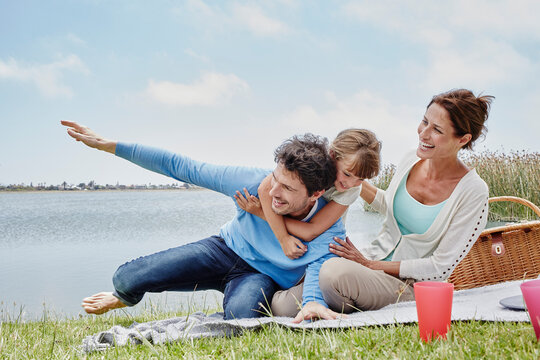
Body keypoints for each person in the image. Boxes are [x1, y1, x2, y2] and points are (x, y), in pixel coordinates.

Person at [61, 120, 344, 320]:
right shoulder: (251, 181)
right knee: (125, 278)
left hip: (261, 276)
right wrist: (110, 146)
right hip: (223, 249)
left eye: (288, 189)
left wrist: (312, 304)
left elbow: (319, 270)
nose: (273, 192)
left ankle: (240, 299)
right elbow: (182, 167)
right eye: (275, 180)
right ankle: (124, 297)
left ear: (315, 193)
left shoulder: (328, 227)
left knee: (239, 319)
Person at [270, 88, 495, 320]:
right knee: (281, 306)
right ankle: (338, 300)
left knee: (331, 274)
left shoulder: (473, 192)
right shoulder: (411, 159)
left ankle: (340, 298)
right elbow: (389, 205)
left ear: (463, 139)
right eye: (424, 121)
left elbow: (441, 267)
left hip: (407, 285)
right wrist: (348, 177)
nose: (423, 133)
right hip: (367, 266)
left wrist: (371, 265)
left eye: (436, 129)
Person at [235, 129, 381, 261]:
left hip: (321, 236)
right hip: (294, 221)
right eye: (347, 174)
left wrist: (261, 212)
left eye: (360, 179)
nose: (350, 184)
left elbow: (311, 231)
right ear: (332, 155)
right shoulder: (312, 164)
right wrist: (283, 238)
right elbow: (264, 189)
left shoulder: (352, 190)